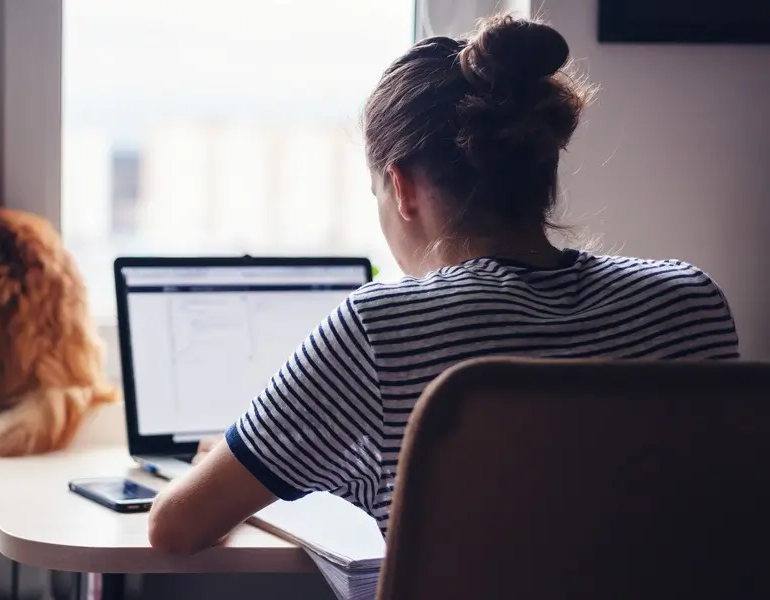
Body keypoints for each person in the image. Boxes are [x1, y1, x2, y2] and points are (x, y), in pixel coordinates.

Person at [147, 14, 740, 555]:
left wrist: (242, 465)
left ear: (401, 188)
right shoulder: (689, 301)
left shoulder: (381, 328)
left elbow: (175, 527)